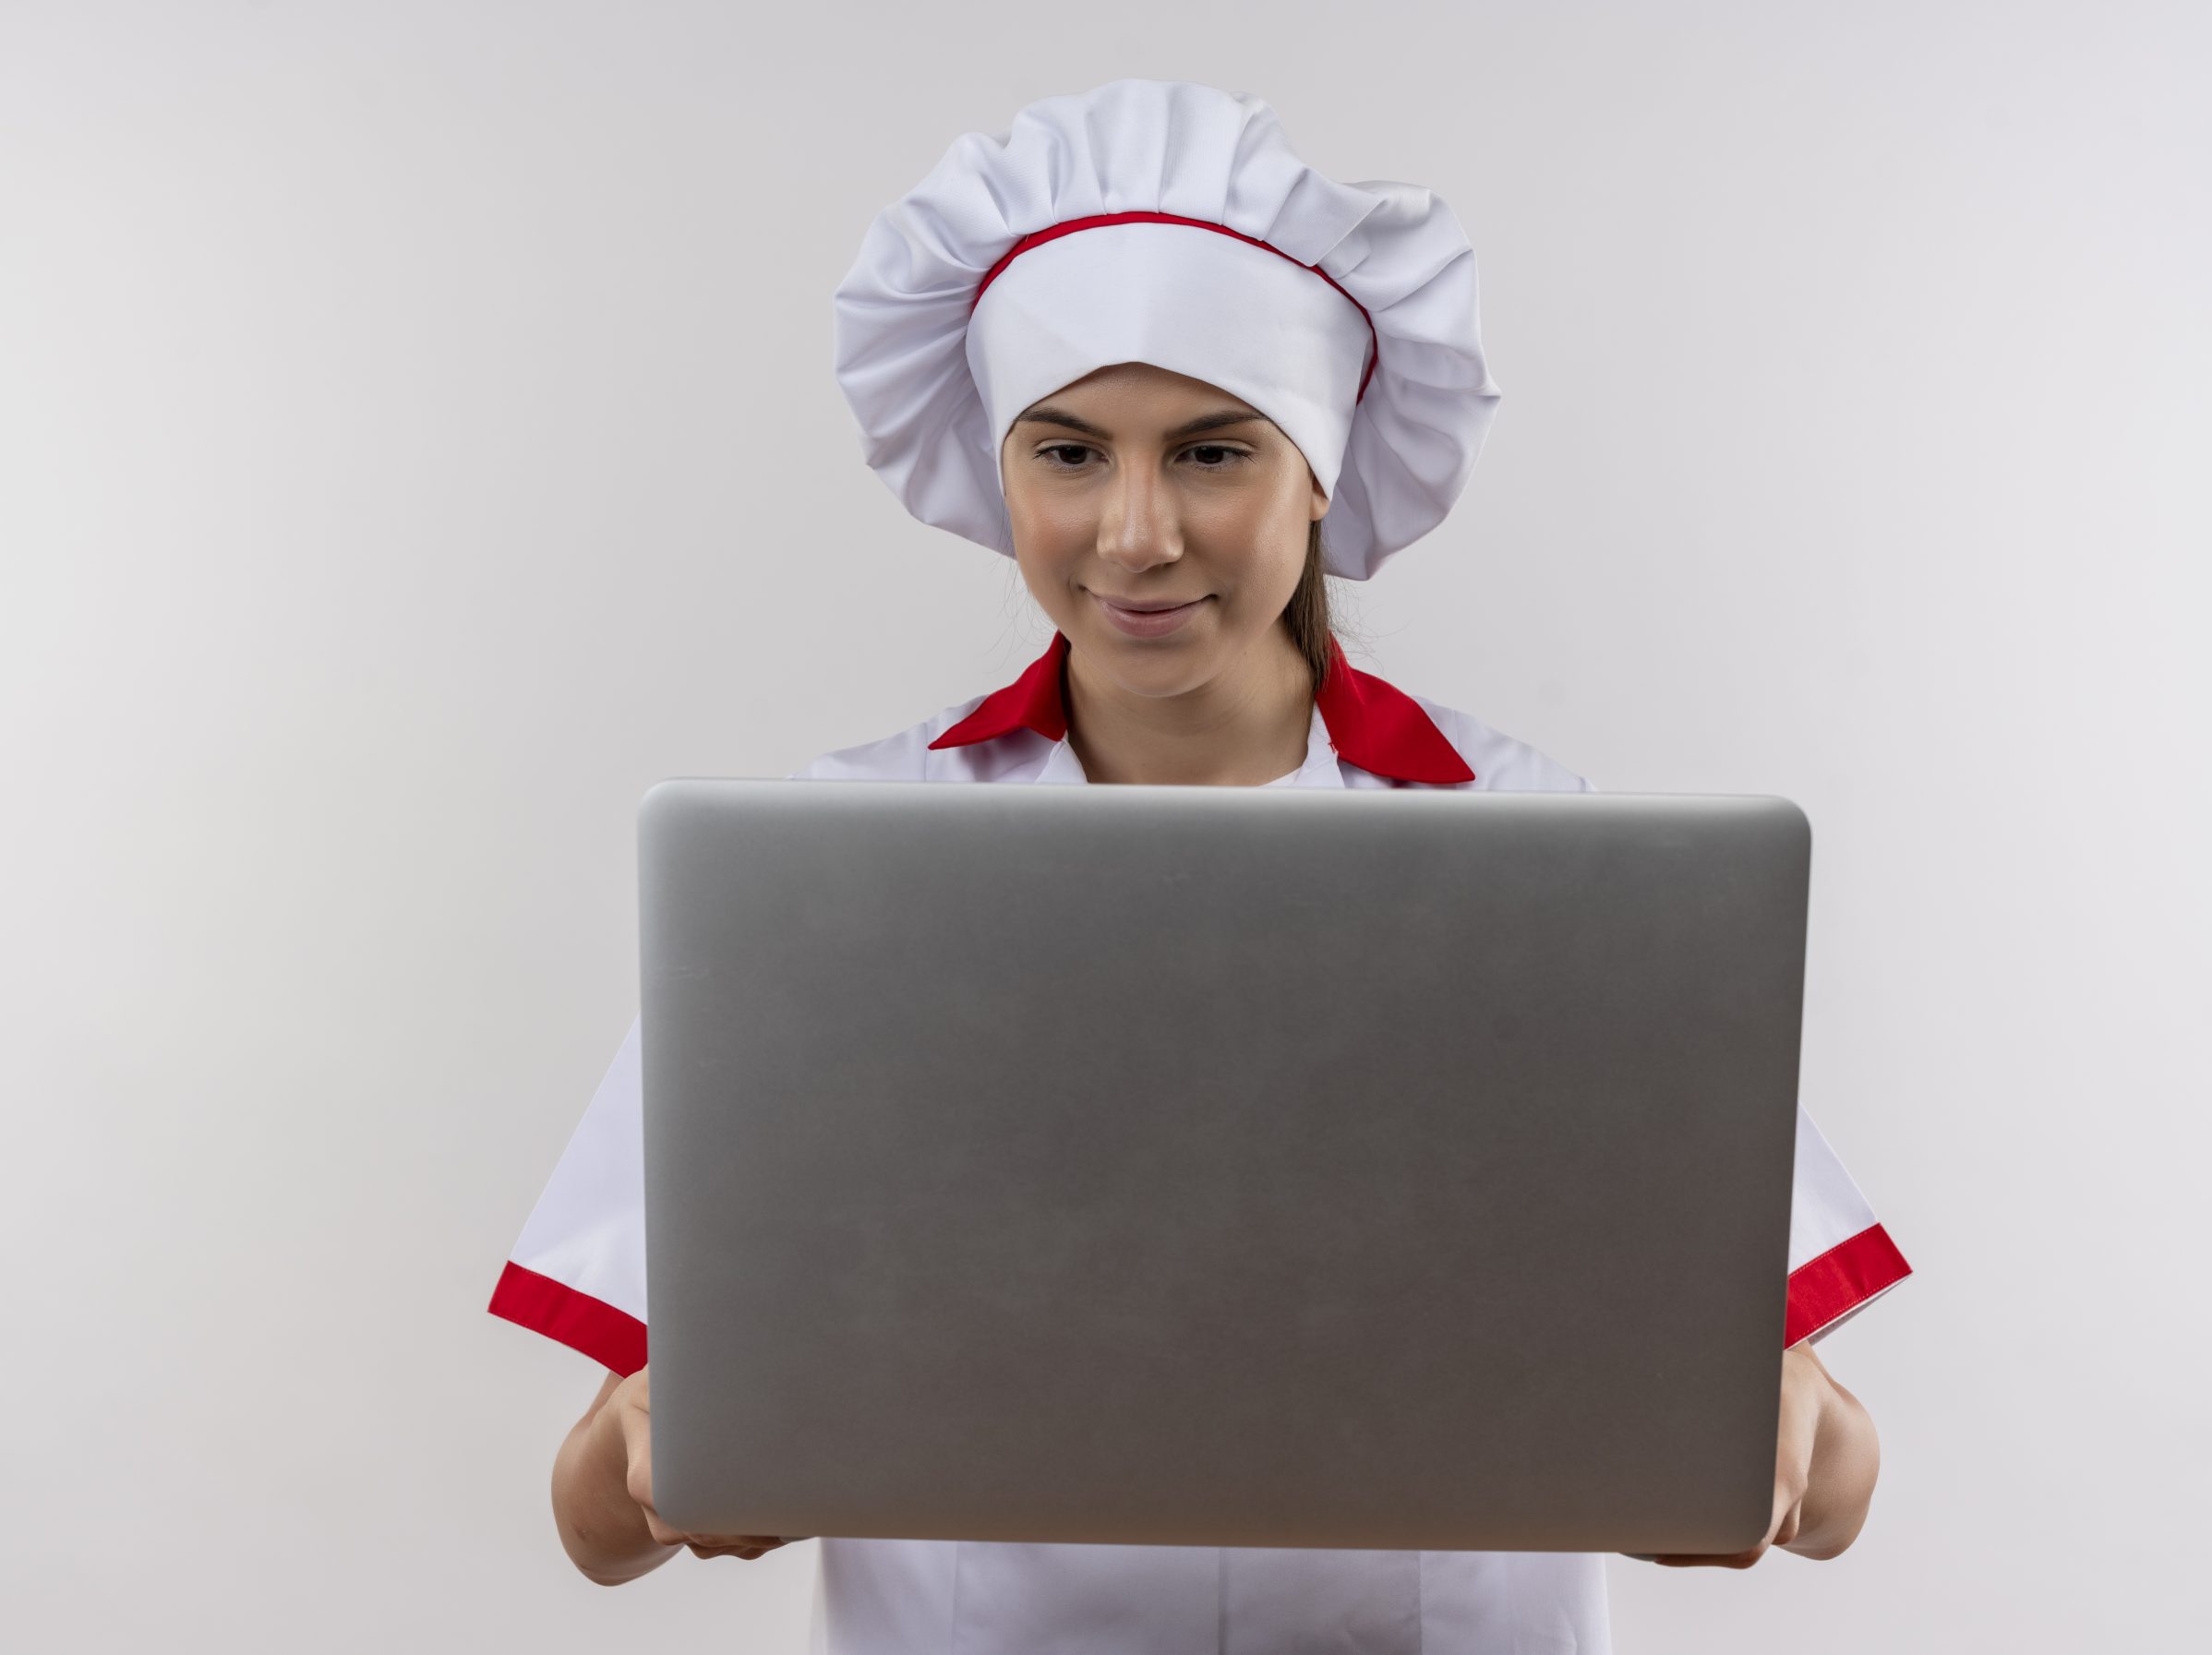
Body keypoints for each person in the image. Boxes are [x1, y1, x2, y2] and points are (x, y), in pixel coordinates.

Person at [488, 78, 1913, 1653]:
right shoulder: (828, 872)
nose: (1136, 534)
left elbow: (1837, 1484)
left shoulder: (1548, 854)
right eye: (1069, 452)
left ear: (1322, 468)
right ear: (1003, 470)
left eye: (1214, 452)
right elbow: (593, 1520)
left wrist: (1779, 1430)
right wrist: (659, 1461)